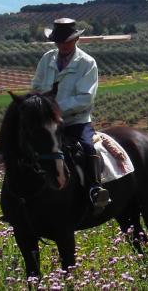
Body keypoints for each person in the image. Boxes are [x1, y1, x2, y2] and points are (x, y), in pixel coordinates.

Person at [31, 18, 110, 209]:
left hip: (76, 121)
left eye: (66, 41)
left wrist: (54, 108)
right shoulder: (47, 59)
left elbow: (85, 98)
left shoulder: (87, 63)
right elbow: (36, 87)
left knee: (87, 147)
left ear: (76, 40)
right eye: (59, 42)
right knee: (24, 148)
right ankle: (20, 197)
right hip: (48, 122)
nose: (63, 45)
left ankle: (95, 190)